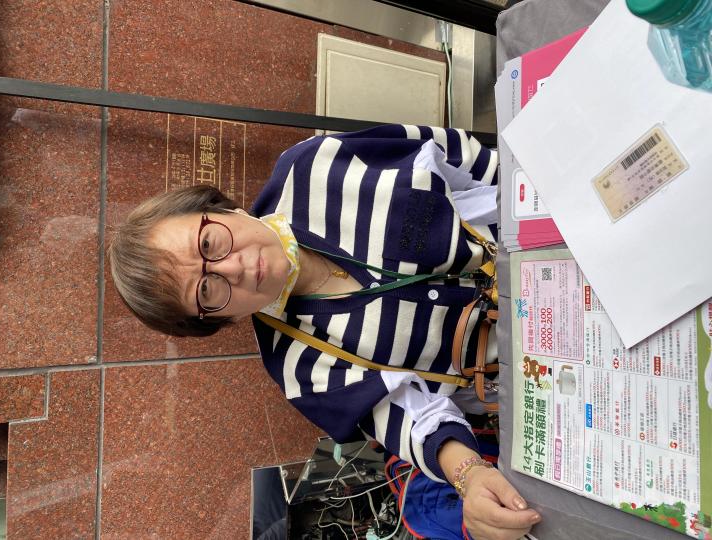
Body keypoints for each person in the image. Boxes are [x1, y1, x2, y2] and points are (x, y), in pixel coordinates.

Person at [109, 124, 541, 540]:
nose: (233, 268)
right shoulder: (300, 369)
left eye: (209, 243)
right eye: (207, 289)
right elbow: (411, 421)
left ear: (222, 208)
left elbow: (452, 154)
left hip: (541, 231)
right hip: (538, 363)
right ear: (219, 320)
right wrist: (469, 475)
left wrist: (543, 186)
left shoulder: (314, 165)